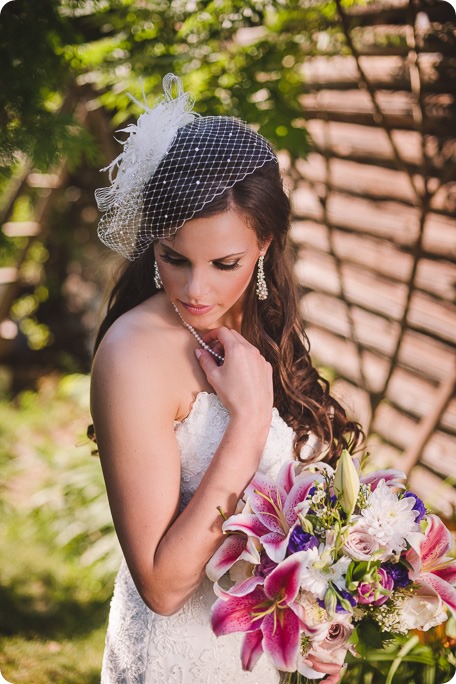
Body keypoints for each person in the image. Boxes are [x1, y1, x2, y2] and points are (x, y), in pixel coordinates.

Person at [90, 74, 361, 684]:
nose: (195, 289)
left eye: (225, 263)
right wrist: (247, 422)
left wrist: (320, 622)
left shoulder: (264, 326)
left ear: (264, 243)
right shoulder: (135, 353)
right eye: (173, 257)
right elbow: (161, 586)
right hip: (174, 664)